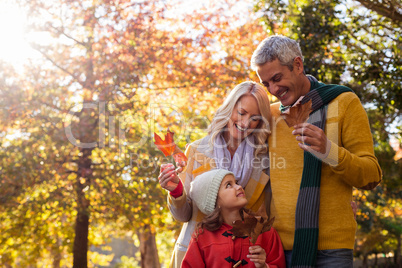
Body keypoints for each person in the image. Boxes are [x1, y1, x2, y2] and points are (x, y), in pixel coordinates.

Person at [250, 35, 382, 267]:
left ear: (298, 65)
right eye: (266, 83)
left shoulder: (344, 102)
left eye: (277, 78)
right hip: (279, 247)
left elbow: (371, 175)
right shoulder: (269, 116)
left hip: (333, 250)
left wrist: (329, 151)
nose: (273, 89)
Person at [158, 81, 272, 267]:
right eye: (242, 113)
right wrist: (176, 191)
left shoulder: (263, 159)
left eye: (255, 118)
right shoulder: (197, 150)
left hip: (242, 256)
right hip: (194, 254)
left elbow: (262, 215)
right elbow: (183, 215)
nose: (245, 123)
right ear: (229, 108)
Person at [181, 169, 286, 268]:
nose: (239, 187)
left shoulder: (265, 232)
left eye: (236, 182)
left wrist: (264, 266)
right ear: (214, 200)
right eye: (228, 185)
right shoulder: (201, 236)